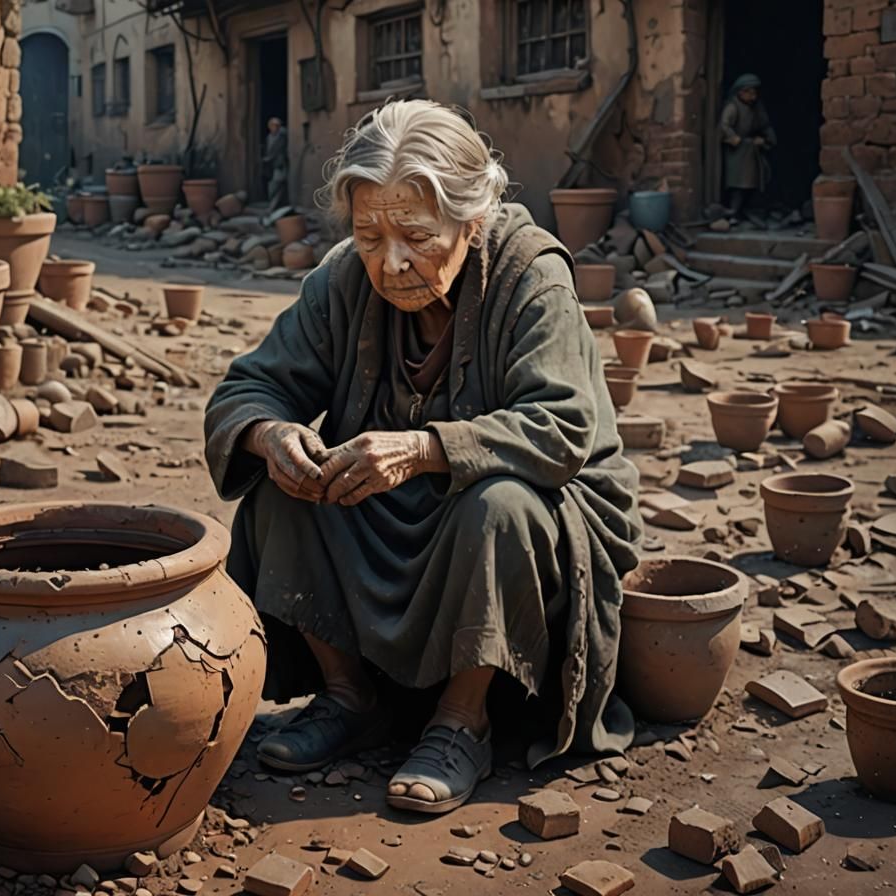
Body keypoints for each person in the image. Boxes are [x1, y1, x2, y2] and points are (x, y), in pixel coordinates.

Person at [204, 100, 641, 815]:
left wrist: (426, 448)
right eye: (370, 234)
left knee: (496, 505)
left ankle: (462, 722)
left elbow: (561, 426)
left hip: (535, 516)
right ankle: (351, 698)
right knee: (283, 489)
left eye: (416, 235)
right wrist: (269, 435)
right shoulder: (346, 277)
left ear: (472, 221)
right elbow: (249, 387)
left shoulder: (532, 275)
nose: (391, 260)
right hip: (392, 510)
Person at [720, 73, 777, 221]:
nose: (753, 96)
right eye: (749, 92)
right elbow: (724, 126)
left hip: (750, 151)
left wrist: (766, 139)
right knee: (738, 183)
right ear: (741, 92)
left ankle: (744, 211)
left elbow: (764, 124)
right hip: (737, 151)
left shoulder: (756, 107)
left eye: (754, 92)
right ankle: (733, 212)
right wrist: (734, 138)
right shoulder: (733, 107)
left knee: (752, 181)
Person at [262, 117, 289, 212]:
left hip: (279, 164)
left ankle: (273, 207)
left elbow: (277, 149)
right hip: (271, 166)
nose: (276, 127)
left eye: (277, 125)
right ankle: (272, 205)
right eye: (274, 125)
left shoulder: (282, 136)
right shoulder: (269, 137)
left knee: (278, 184)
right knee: (272, 186)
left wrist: (269, 158)